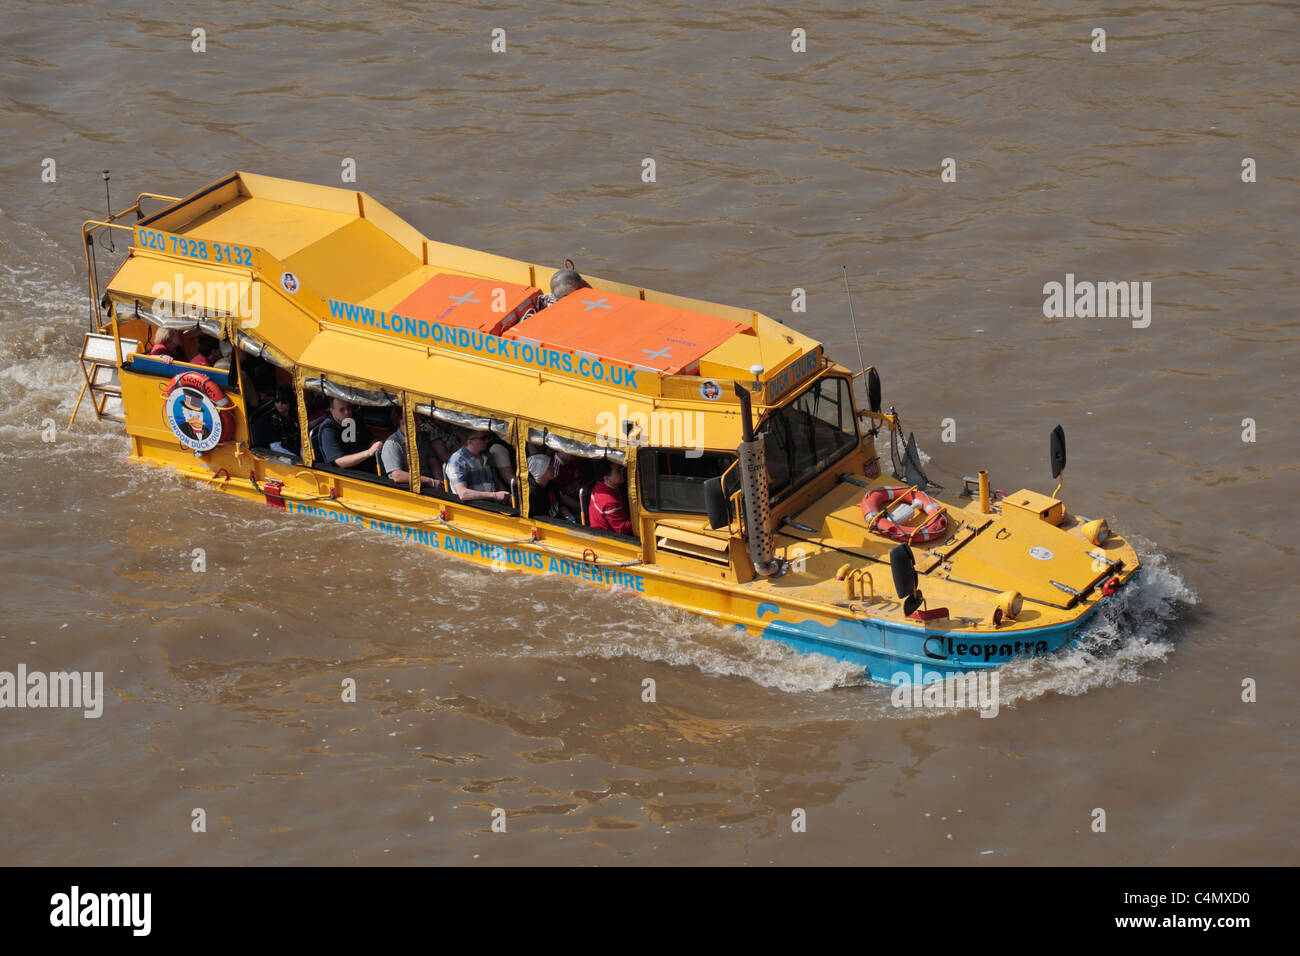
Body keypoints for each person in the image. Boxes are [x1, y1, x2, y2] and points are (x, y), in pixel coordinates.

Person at [317, 397, 382, 472]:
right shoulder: (328, 430)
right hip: (350, 473)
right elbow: (340, 462)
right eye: (341, 410)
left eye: (349, 408)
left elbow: (370, 439)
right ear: (332, 411)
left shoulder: (355, 417)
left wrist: (379, 446)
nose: (347, 412)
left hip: (368, 463)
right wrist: (369, 452)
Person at [446, 430, 510, 503]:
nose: (487, 440)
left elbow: (496, 482)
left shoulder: (487, 456)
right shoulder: (457, 461)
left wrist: (506, 496)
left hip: (493, 505)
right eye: (483, 438)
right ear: (470, 442)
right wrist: (494, 495)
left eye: (487, 437)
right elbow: (463, 494)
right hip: (473, 507)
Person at [381, 411, 439, 491]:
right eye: (415, 419)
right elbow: (397, 476)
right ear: (403, 422)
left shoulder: (421, 437)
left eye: (420, 418)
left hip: (430, 485)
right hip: (409, 489)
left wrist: (441, 484)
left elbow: (433, 462)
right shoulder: (392, 444)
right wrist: (429, 481)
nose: (420, 422)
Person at [250, 384, 301, 455]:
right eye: (277, 401)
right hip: (286, 458)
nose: (280, 404)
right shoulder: (271, 421)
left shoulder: (296, 415)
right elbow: (275, 447)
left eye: (284, 402)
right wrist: (296, 458)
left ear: (290, 402)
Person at [527, 452, 579, 520]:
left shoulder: (551, 484)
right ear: (540, 471)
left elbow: (560, 506)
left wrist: (571, 518)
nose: (553, 468)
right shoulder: (532, 493)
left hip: (560, 520)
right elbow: (540, 519)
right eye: (549, 467)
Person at [588, 462, 633, 536]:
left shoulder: (599, 486)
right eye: (618, 471)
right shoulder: (610, 502)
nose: (622, 472)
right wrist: (638, 517)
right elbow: (622, 530)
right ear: (607, 479)